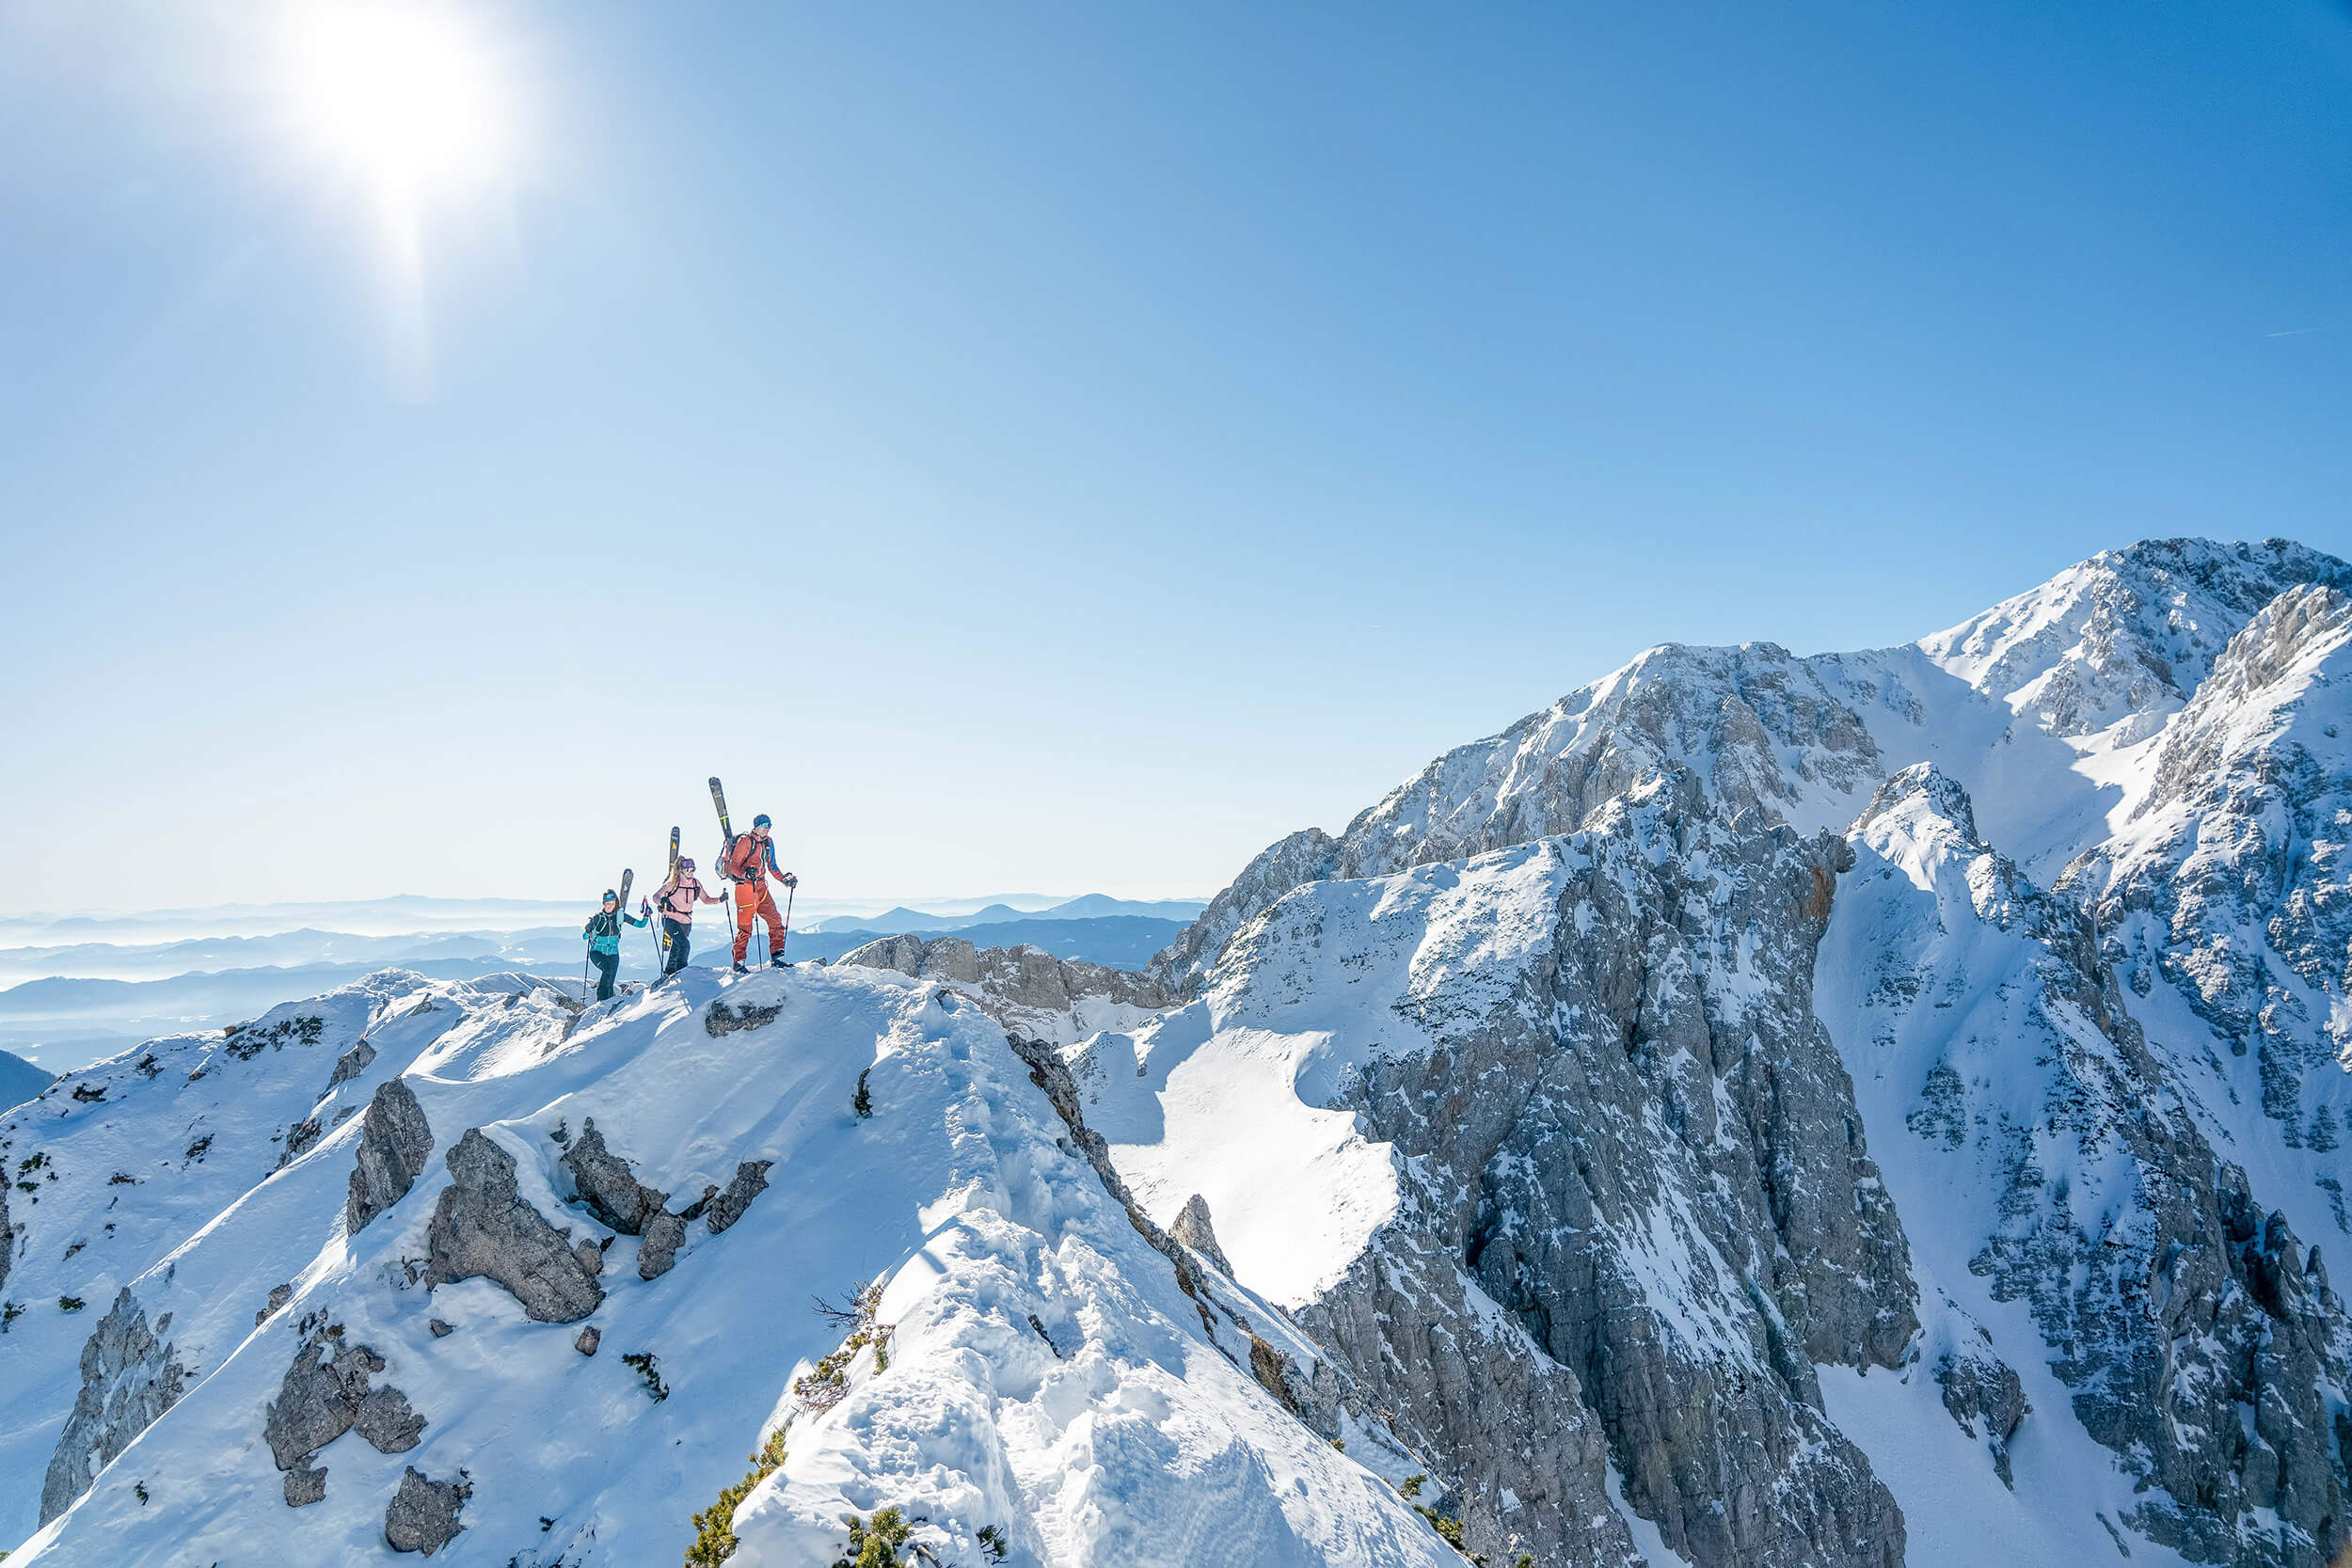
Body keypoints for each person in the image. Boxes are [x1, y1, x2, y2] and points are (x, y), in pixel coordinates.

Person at [721, 812, 799, 973]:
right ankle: (739, 962)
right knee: (745, 927)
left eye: (770, 825)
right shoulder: (745, 842)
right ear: (756, 826)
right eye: (764, 825)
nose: (768, 828)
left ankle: (777, 957)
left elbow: (772, 866)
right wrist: (744, 874)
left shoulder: (768, 843)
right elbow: (732, 866)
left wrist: (785, 879)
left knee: (775, 920)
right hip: (745, 887)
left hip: (762, 887)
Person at [652, 858, 725, 981]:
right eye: (688, 870)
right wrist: (662, 902)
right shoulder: (673, 883)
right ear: (681, 870)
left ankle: (668, 973)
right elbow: (656, 897)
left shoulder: (695, 884)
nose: (691, 872)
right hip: (670, 919)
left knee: (676, 946)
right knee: (684, 945)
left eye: (693, 870)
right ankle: (682, 973)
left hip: (686, 921)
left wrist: (720, 899)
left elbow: (706, 899)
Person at [581, 889, 647, 1002]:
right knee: (607, 971)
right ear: (603, 904)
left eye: (612, 904)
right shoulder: (598, 918)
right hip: (597, 952)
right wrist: (588, 929)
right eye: (607, 904)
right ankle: (601, 1002)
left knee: (610, 980)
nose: (609, 906)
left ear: (616, 903)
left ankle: (609, 1003)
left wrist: (646, 916)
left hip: (613, 954)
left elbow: (641, 925)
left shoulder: (620, 916)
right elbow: (584, 937)